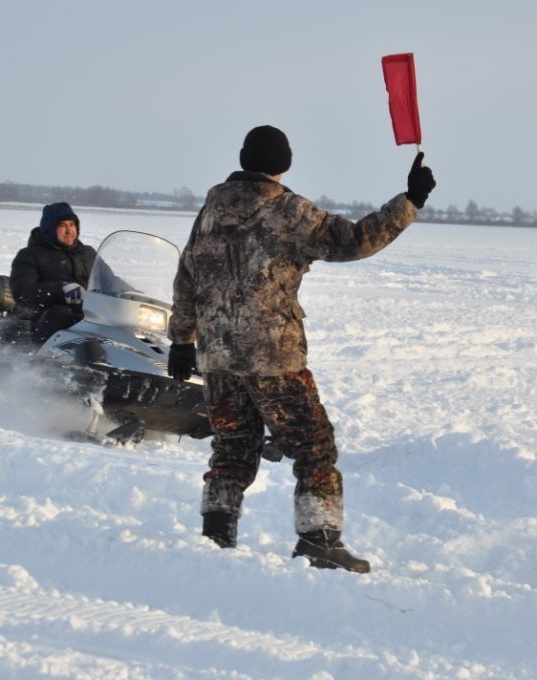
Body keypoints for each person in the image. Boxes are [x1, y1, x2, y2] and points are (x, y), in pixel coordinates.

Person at [166, 125, 436, 573]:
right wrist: (409, 201)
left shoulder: (210, 211)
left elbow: (186, 277)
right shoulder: (287, 210)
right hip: (272, 356)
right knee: (313, 447)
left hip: (217, 358)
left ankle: (215, 535)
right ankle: (319, 540)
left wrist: (181, 340)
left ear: (242, 160)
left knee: (232, 446)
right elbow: (353, 241)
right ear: (283, 165)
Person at [10, 202, 97, 344]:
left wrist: (131, 293)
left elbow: (109, 279)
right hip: (45, 322)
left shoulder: (88, 254)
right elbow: (22, 291)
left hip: (88, 316)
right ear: (50, 229)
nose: (69, 230)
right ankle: (47, 361)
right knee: (61, 313)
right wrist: (60, 289)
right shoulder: (30, 255)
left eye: (72, 224)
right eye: (62, 225)